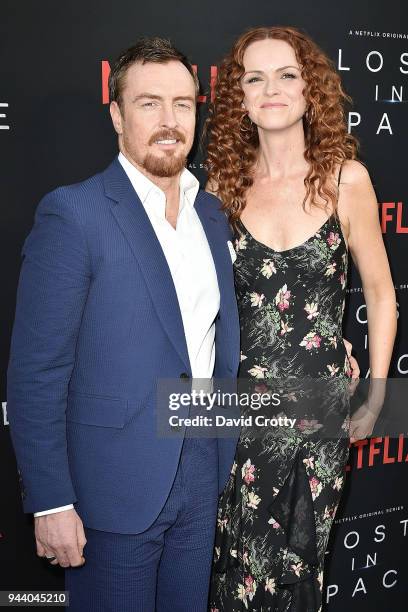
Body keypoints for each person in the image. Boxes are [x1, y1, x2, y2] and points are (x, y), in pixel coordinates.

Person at [7, 37, 241, 611]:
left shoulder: (210, 213)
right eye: (149, 103)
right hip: (113, 490)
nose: (169, 121)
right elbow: (38, 371)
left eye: (183, 104)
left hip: (200, 473)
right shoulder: (74, 213)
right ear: (116, 115)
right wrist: (51, 501)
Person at [206, 26, 397, 611]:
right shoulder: (220, 189)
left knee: (299, 567)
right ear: (239, 95)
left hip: (321, 410)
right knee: (239, 565)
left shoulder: (346, 180)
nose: (272, 89)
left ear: (310, 89)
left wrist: (376, 394)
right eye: (255, 77)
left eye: (287, 75)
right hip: (240, 413)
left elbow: (381, 290)